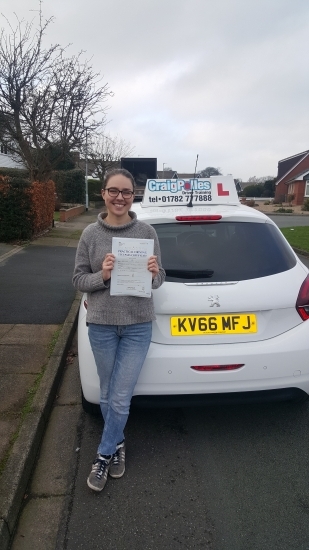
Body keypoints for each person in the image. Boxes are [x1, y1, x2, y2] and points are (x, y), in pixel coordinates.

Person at [72, 168, 165, 492]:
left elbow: (158, 278)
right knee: (109, 393)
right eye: (114, 190)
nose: (120, 197)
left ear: (133, 195)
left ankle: (103, 454)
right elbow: (78, 280)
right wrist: (104, 275)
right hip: (102, 326)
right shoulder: (89, 235)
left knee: (121, 395)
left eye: (127, 192)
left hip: (138, 326)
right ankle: (119, 442)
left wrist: (154, 272)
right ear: (104, 193)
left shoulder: (146, 232)